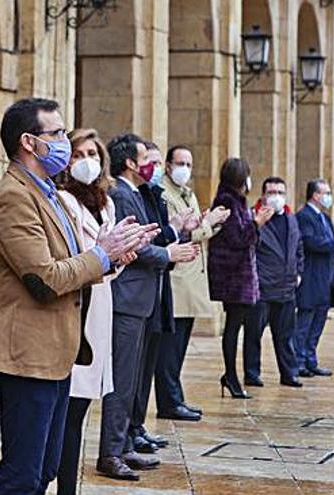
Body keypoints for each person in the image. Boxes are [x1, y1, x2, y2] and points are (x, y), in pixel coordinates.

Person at [0, 99, 155, 494]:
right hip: (28, 355)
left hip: (58, 353)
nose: (63, 140)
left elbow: (74, 262)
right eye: (57, 134)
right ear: (29, 142)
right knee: (22, 477)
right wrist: (101, 254)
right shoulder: (13, 196)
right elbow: (43, 278)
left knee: (44, 470)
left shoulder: (48, 194)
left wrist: (112, 258)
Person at [99, 133, 198, 481]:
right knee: (122, 380)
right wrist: (168, 254)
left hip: (141, 301)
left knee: (133, 380)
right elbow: (135, 247)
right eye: (146, 158)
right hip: (127, 300)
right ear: (130, 162)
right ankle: (111, 452)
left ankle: (124, 442)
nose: (152, 166)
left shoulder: (135, 193)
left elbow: (148, 238)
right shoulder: (121, 194)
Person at [55, 128, 132, 495]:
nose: (86, 160)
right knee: (67, 417)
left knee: (79, 412)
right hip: (75, 311)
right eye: (78, 153)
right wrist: (104, 254)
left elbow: (105, 264)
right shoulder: (62, 200)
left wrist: (121, 256)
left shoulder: (105, 202)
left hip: (100, 307)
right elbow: (75, 261)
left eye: (92, 153)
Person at [130, 142, 200, 451]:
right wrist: (176, 230)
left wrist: (181, 228)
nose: (155, 168)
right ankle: (127, 433)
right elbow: (149, 241)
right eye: (152, 161)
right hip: (142, 291)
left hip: (160, 288)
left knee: (148, 365)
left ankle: (137, 427)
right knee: (137, 368)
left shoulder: (155, 194)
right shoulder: (134, 195)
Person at [156, 145, 229, 418]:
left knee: (180, 346)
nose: (184, 168)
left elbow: (194, 228)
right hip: (177, 281)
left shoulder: (187, 193)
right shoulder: (166, 195)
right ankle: (169, 402)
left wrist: (208, 222)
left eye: (188, 163)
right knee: (169, 351)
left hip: (191, 280)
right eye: (179, 162)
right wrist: (209, 223)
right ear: (167, 165)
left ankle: (176, 398)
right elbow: (180, 235)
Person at [208, 158, 273, 399]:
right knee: (233, 328)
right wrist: (257, 223)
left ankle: (232, 376)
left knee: (238, 326)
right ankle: (231, 376)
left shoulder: (238, 201)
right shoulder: (227, 201)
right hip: (233, 276)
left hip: (241, 274)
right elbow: (237, 238)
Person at [243, 177, 305, 388]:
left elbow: (299, 248)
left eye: (280, 192)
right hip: (263, 287)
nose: (276, 196)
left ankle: (289, 373)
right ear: (263, 195)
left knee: (286, 335)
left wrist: (298, 273)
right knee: (254, 334)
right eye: (272, 192)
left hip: (287, 287)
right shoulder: (254, 219)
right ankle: (252, 374)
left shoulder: (291, 218)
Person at [295, 179, 334, 379]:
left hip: (327, 279)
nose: (329, 196)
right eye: (326, 192)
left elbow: (330, 243)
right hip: (312, 278)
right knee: (304, 323)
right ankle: (298, 362)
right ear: (315, 195)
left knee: (318, 322)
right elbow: (310, 242)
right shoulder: (304, 216)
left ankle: (311, 360)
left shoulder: (325, 218)